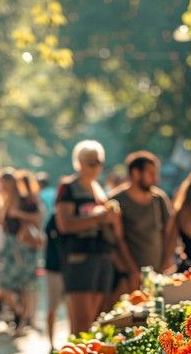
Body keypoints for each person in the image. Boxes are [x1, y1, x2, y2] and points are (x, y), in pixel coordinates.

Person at [55, 140, 135, 333]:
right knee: (81, 324)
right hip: (79, 257)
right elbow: (64, 225)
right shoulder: (69, 187)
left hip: (102, 256)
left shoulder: (98, 188)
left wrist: (112, 219)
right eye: (91, 162)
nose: (96, 166)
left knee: (94, 322)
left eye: (99, 162)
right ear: (79, 162)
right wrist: (98, 218)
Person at [109, 151, 172, 274]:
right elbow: (116, 240)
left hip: (160, 273)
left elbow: (170, 233)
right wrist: (131, 272)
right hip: (129, 276)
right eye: (151, 174)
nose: (156, 179)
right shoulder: (116, 200)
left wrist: (165, 265)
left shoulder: (159, 198)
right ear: (135, 173)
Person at [0, 169, 44, 332]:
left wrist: (18, 214)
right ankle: (19, 313)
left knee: (25, 284)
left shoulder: (26, 200)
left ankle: (25, 317)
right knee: (7, 284)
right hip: (11, 246)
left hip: (24, 246)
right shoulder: (6, 200)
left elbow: (38, 218)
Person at [45, 212, 65, 349]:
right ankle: (51, 344)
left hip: (71, 269)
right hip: (55, 268)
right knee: (52, 308)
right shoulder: (54, 218)